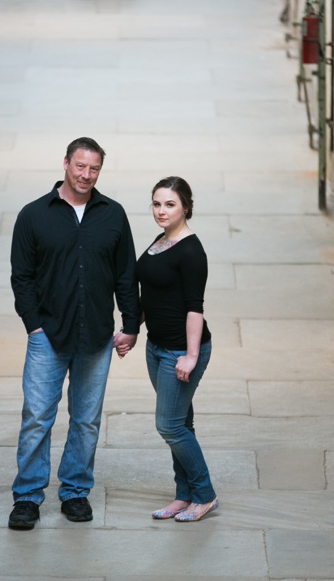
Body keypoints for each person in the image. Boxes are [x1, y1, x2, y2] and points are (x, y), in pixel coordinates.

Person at [8, 137, 140, 530]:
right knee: (36, 416)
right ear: (65, 163)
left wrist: (131, 324)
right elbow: (22, 277)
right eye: (80, 166)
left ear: (100, 170)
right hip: (48, 334)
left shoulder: (113, 215)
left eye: (94, 168)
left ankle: (75, 492)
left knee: (86, 420)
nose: (86, 175)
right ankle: (28, 497)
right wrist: (33, 325)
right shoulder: (33, 215)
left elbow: (126, 275)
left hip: (96, 336)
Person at [125, 176, 219, 522]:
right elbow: (151, 293)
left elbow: (195, 308)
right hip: (157, 347)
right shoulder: (160, 241)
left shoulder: (192, 251)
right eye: (156, 203)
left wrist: (191, 356)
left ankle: (205, 495)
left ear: (186, 207)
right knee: (182, 423)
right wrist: (132, 330)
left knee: (169, 425)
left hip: (181, 351)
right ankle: (184, 495)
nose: (161, 211)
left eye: (170, 204)